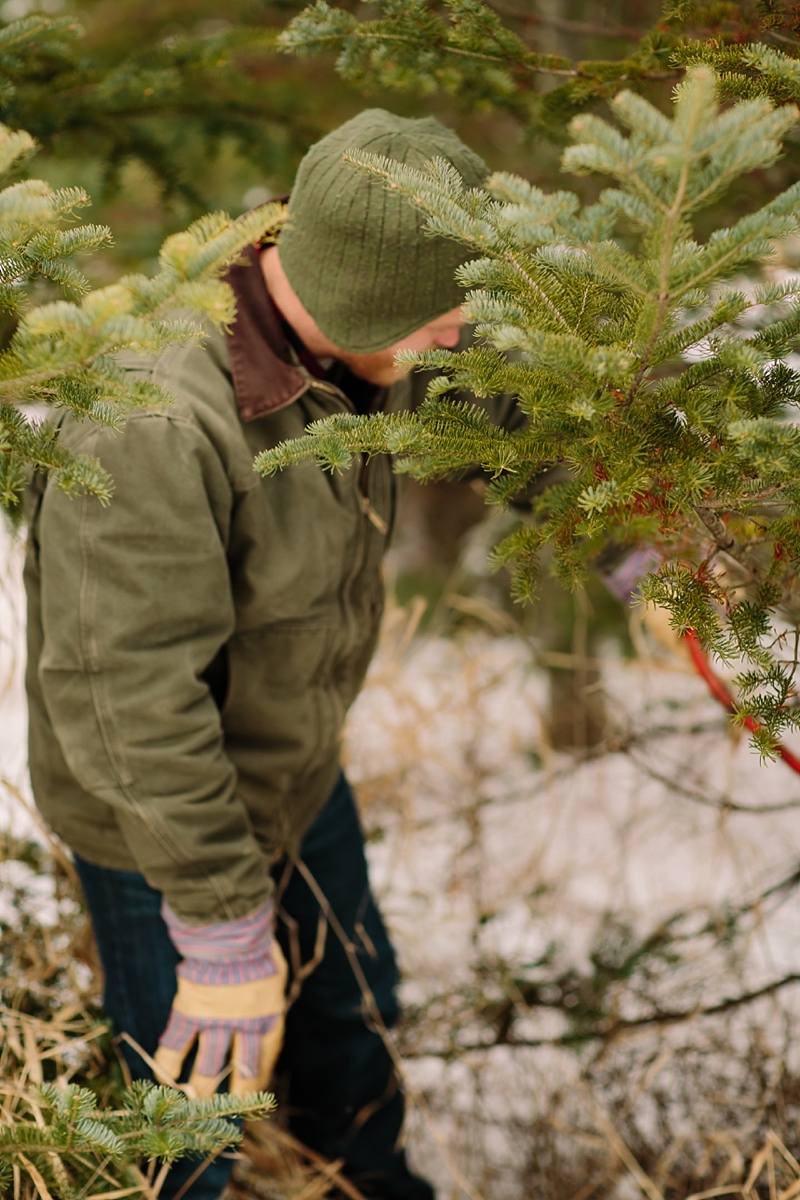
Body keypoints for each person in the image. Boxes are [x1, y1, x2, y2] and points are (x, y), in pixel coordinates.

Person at [24, 110, 521, 1200]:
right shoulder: (152, 422)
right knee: (194, 1108)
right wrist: (219, 928)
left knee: (350, 1030)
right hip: (162, 823)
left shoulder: (360, 329)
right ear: (363, 296)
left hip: (294, 770)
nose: (453, 340)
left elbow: (496, 407)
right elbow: (126, 698)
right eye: (442, 320)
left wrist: (639, 536)